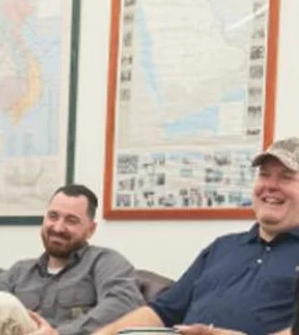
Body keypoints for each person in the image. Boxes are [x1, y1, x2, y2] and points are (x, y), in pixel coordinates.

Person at [93, 137, 299, 335]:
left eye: (286, 177)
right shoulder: (222, 248)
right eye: (264, 175)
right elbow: (162, 311)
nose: (270, 186)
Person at [0, 183, 145, 335]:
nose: (58, 227)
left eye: (71, 221)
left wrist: (59, 333)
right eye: (53, 216)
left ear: (91, 229)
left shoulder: (105, 262)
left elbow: (123, 304)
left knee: (4, 305)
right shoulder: (20, 271)